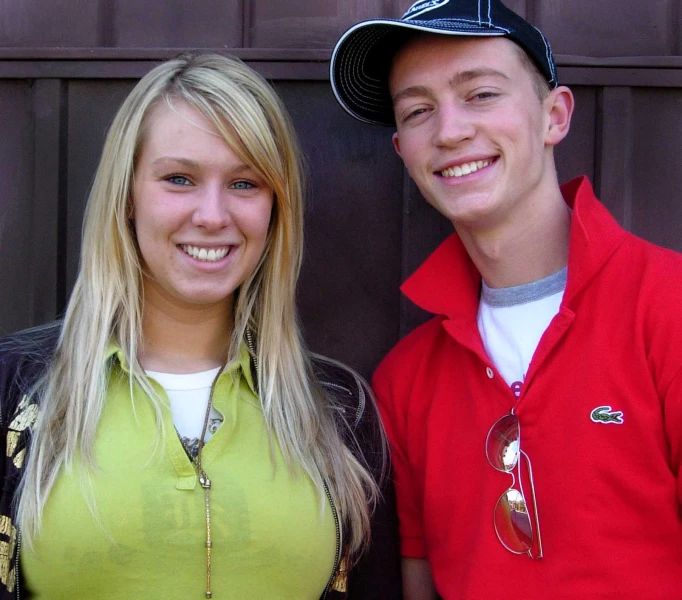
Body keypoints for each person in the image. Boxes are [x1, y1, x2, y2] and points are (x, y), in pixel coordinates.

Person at [0, 53, 402, 599]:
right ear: (128, 198)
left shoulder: (338, 409)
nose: (213, 215)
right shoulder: (15, 389)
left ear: (275, 209)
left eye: (244, 183)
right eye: (179, 178)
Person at [330, 0, 682, 598]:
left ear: (554, 115)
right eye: (418, 110)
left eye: (482, 94)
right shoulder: (406, 380)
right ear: (402, 152)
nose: (450, 130)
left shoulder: (666, 306)